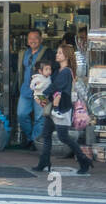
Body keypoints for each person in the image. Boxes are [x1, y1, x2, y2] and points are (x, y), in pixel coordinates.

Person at [34, 43, 93, 175]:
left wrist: (42, 97)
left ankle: (84, 160)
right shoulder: (61, 70)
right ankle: (44, 162)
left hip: (61, 109)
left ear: (66, 56)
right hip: (56, 109)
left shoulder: (65, 71)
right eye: (58, 52)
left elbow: (55, 87)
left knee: (63, 137)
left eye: (60, 53)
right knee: (47, 135)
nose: (57, 54)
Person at [16, 29, 56, 149]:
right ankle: (30, 137)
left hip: (42, 91)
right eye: (30, 38)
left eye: (36, 38)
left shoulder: (48, 52)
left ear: (41, 40)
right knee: (21, 114)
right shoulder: (24, 53)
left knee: (40, 117)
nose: (33, 40)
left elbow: (53, 70)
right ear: (27, 41)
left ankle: (35, 141)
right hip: (25, 90)